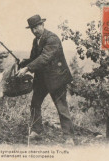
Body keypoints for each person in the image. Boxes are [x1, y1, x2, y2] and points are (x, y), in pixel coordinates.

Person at [17, 14, 75, 145]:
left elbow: (45, 58)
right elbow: (35, 58)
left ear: (42, 25)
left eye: (36, 27)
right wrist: (25, 62)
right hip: (42, 79)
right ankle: (37, 131)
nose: (34, 31)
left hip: (57, 79)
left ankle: (69, 137)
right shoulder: (36, 40)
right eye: (31, 28)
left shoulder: (52, 39)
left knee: (61, 108)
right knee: (35, 104)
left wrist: (27, 69)